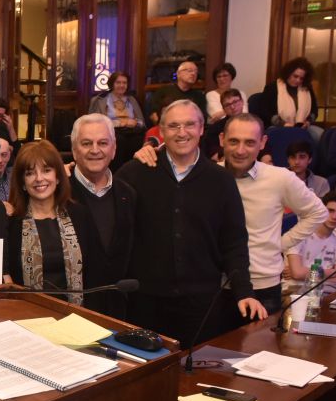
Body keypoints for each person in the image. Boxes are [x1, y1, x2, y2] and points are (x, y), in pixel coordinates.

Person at [135, 112, 326, 315]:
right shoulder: (204, 176)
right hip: (213, 285)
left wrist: (280, 243)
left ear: (262, 143)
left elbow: (317, 212)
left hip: (260, 284)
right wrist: (150, 153)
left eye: (250, 143)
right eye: (234, 141)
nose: (240, 150)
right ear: (221, 140)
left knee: (257, 347)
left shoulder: (280, 178)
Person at [119, 100, 265, 347]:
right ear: (161, 131)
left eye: (189, 125)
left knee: (197, 375)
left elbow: (234, 243)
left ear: (201, 129)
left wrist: (244, 291)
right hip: (145, 303)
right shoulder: (134, 173)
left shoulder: (221, 181)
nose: (182, 132)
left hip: (202, 305)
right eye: (173, 125)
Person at [5, 140, 102, 305]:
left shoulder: (80, 215)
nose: (39, 178)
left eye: (46, 170)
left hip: (77, 317)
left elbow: (96, 271)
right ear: (22, 182)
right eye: (30, 173)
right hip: (28, 317)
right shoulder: (11, 223)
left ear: (57, 177)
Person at [68, 113, 137, 318]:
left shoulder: (129, 195)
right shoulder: (58, 194)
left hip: (120, 315)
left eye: (103, 143)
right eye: (87, 143)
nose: (95, 150)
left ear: (114, 149)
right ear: (74, 150)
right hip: (72, 315)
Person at [285, 192, 336, 285]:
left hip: (324, 291)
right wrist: (331, 272)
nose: (335, 217)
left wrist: (304, 273)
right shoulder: (298, 235)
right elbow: (297, 274)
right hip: (294, 290)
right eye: (330, 210)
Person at [88, 71, 145, 167]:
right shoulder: (101, 100)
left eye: (124, 83)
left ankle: (132, 172)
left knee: (137, 140)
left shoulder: (132, 99)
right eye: (118, 82)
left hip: (132, 131)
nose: (121, 85)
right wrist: (120, 123)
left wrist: (135, 123)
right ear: (112, 84)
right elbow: (96, 122)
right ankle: (116, 173)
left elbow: (142, 122)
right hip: (110, 131)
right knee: (119, 141)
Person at [256, 57, 319, 134]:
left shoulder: (307, 88)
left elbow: (314, 111)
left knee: (320, 134)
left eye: (301, 78)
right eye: (295, 76)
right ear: (288, 73)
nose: (298, 80)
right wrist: (283, 124)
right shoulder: (272, 88)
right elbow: (265, 111)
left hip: (303, 128)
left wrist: (308, 122)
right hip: (278, 126)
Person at [147, 60, 207, 125]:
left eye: (196, 72)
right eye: (189, 71)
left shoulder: (199, 96)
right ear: (178, 74)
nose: (193, 74)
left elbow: (201, 118)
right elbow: (152, 113)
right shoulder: (164, 91)